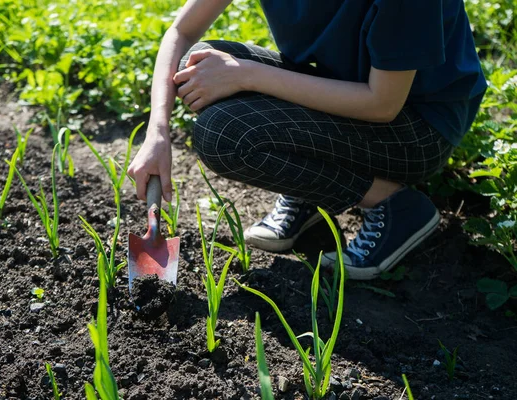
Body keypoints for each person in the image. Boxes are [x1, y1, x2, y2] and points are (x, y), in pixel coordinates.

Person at [127, 0, 487, 280]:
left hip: (418, 127)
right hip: (343, 94)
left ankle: (396, 206)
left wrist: (248, 74)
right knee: (200, 64)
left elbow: (383, 103)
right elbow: (182, 31)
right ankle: (311, 191)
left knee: (224, 133)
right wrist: (157, 131)